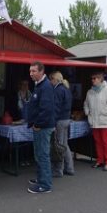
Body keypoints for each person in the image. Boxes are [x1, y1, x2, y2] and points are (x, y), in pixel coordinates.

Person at [27, 61, 55, 194]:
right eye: (30, 71)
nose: (31, 73)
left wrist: (37, 124)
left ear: (42, 71)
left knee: (43, 155)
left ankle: (45, 185)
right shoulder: (39, 85)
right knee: (39, 154)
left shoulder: (46, 87)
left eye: (34, 71)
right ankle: (40, 179)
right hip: (39, 126)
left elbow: (46, 110)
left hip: (42, 127)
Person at [83, 71, 107, 171]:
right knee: (98, 141)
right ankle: (100, 160)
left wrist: (101, 112)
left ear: (100, 79)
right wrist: (87, 112)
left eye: (94, 78)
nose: (92, 80)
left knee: (106, 141)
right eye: (92, 78)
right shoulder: (90, 91)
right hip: (93, 121)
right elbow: (86, 104)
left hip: (104, 120)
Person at [49, 71, 74, 177]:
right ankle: (70, 168)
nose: (50, 82)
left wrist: (53, 123)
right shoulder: (66, 89)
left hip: (60, 120)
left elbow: (56, 108)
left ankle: (58, 170)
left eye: (51, 79)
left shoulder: (58, 90)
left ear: (55, 79)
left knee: (58, 146)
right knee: (64, 145)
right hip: (67, 119)